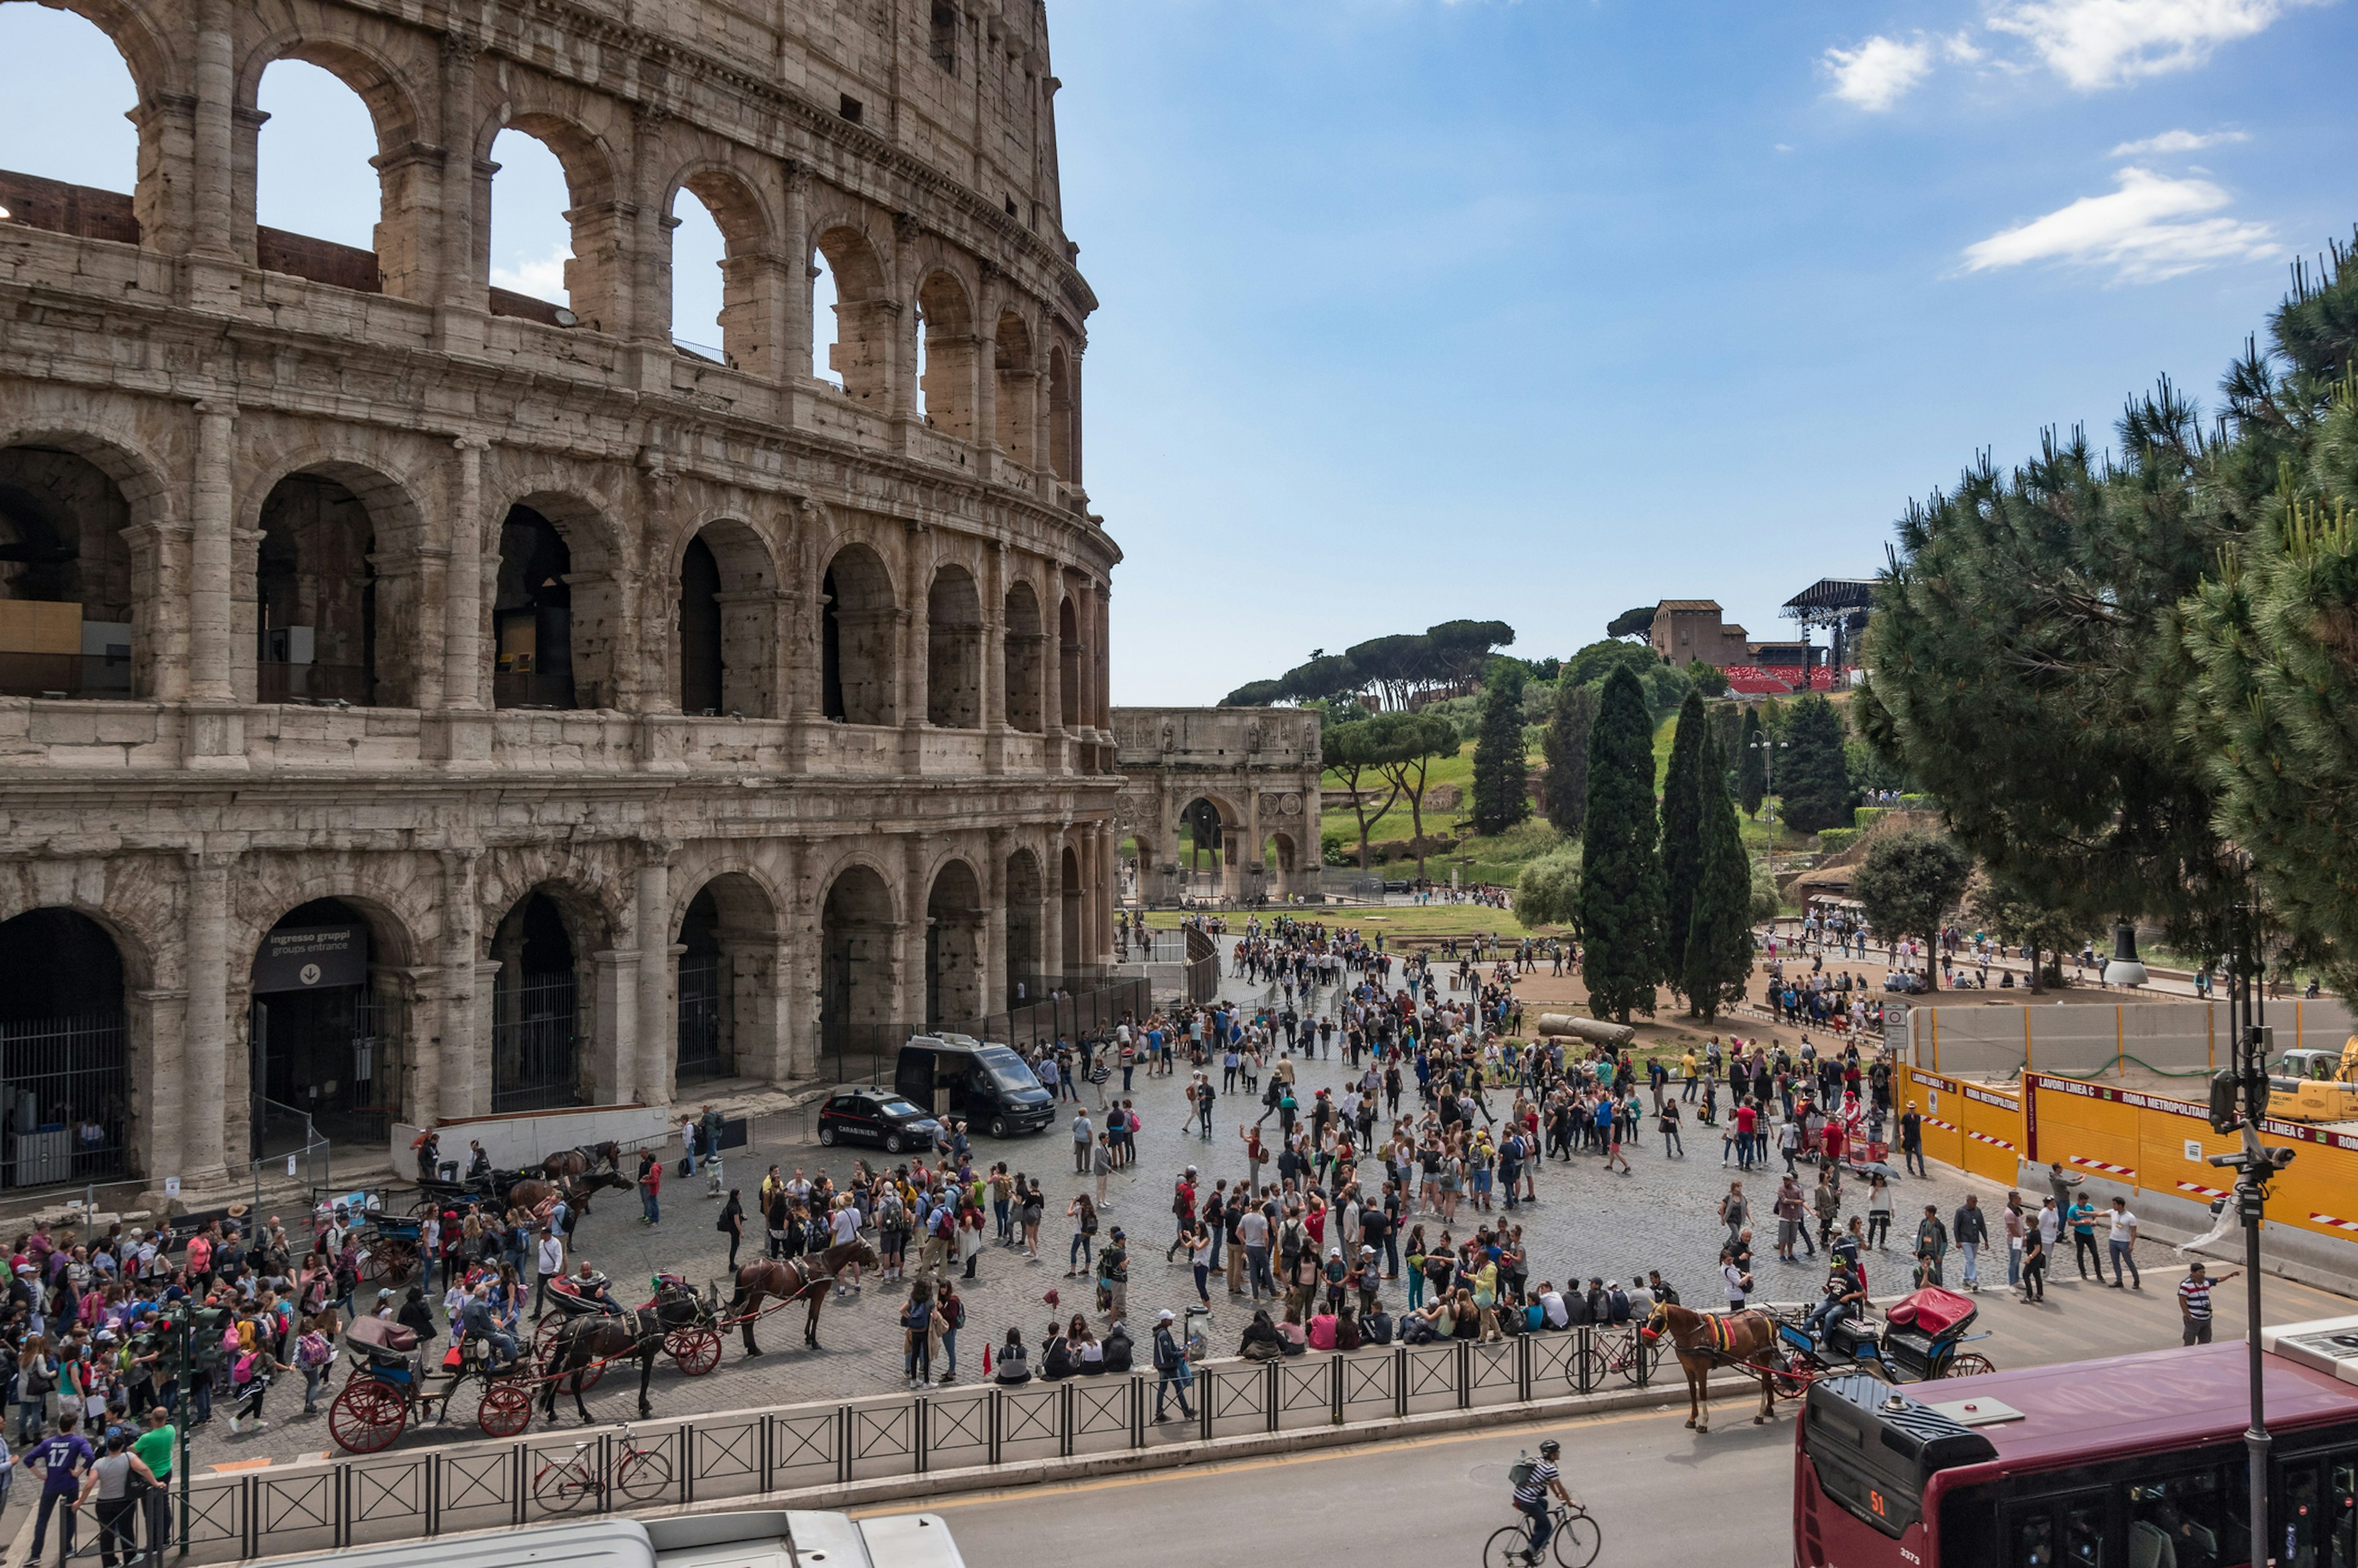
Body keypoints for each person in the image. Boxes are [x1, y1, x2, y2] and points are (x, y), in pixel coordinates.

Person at [77, 1426, 157, 1568]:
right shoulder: (129, 1457)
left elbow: (89, 1484)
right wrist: (155, 1483)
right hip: (124, 1501)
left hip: (103, 1503)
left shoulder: (99, 1463)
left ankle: (110, 1562)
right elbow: (144, 1469)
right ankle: (130, 1556)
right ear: (122, 1447)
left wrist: (80, 1502)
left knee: (106, 1534)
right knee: (126, 1529)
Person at [25, 1408, 95, 1566]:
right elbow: (90, 1457)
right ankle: (67, 1548)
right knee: (70, 1515)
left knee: (42, 1519)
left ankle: (35, 1553)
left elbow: (29, 1459)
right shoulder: (78, 1442)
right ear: (73, 1426)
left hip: (51, 1483)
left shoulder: (48, 1443)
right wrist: (78, 1472)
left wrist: (41, 1476)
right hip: (70, 1482)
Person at [1509, 1438, 1573, 1563]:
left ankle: (1536, 1537)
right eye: (1557, 1452)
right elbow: (1561, 1487)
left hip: (1518, 1496)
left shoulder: (1539, 1461)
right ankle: (1528, 1553)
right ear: (1552, 1455)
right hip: (1528, 1501)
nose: (1559, 1453)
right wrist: (1570, 1502)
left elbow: (1550, 1483)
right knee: (1547, 1527)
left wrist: (1557, 1495)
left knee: (1544, 1503)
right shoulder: (1551, 1469)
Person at [1150, 1309, 1194, 1422]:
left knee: (1162, 1389)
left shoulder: (1161, 1332)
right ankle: (1186, 1411)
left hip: (1162, 1366)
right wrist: (1180, 1354)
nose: (1172, 1321)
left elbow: (1169, 1349)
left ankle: (1159, 1412)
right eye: (1170, 1319)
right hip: (1168, 1366)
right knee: (1179, 1388)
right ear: (1165, 1321)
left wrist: (1179, 1349)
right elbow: (1167, 1353)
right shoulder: (1164, 1334)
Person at [2178, 1260, 2237, 1343]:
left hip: (2206, 1318)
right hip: (2194, 1318)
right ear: (2193, 1273)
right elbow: (2182, 1301)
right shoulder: (2186, 1285)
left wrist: (2230, 1275)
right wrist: (2189, 1316)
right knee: (2189, 1342)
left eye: (2204, 1272)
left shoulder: (2206, 1282)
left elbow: (2219, 1279)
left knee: (2205, 1342)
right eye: (2200, 1273)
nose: (2203, 1275)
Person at [2106, 1197, 2141, 1290]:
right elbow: (2100, 1214)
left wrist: (2131, 1244)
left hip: (2124, 1242)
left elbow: (2134, 1232)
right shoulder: (2113, 1212)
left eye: (2115, 1204)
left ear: (2120, 1205)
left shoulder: (2130, 1217)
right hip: (2113, 1241)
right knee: (2115, 1261)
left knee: (2129, 1261)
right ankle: (2119, 1280)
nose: (2113, 1206)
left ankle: (2136, 1280)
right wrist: (2084, 1213)